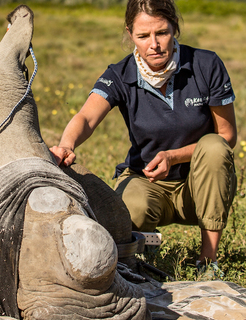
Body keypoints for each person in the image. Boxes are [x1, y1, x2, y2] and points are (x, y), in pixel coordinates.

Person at [50, 0, 237, 278]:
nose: (155, 44)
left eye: (162, 32)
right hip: (148, 180)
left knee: (214, 147)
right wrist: (66, 144)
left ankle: (208, 263)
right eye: (143, 36)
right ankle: (145, 246)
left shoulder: (206, 64)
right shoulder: (120, 74)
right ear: (129, 34)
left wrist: (173, 156)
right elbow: (86, 117)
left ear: (174, 27)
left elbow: (227, 135)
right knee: (127, 209)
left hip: (198, 186)